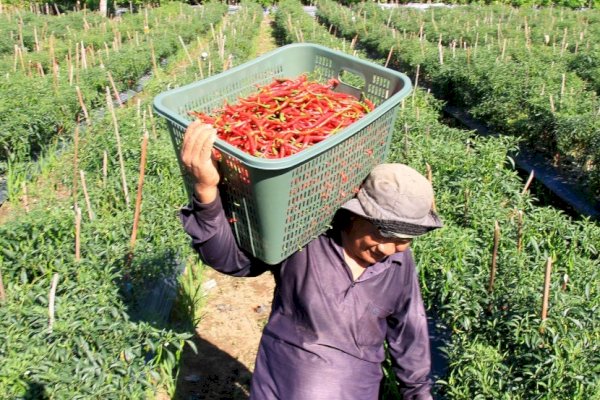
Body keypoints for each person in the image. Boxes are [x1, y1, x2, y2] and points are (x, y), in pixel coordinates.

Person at [179, 121, 443, 400]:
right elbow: (231, 261)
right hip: (282, 385)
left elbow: (409, 330)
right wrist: (206, 191)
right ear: (356, 215)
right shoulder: (305, 238)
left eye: (406, 241)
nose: (391, 249)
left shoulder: (400, 264)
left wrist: (418, 393)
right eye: (385, 234)